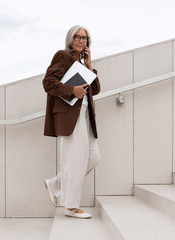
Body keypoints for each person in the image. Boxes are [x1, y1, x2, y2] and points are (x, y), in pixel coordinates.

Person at [42, 25, 101, 219]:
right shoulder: (63, 56)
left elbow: (97, 89)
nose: (81, 40)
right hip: (69, 115)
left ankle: (56, 183)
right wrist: (72, 90)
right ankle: (71, 207)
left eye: (84, 38)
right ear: (70, 39)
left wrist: (90, 64)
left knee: (93, 156)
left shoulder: (84, 66)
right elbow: (48, 82)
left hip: (85, 115)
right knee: (75, 160)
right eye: (77, 37)